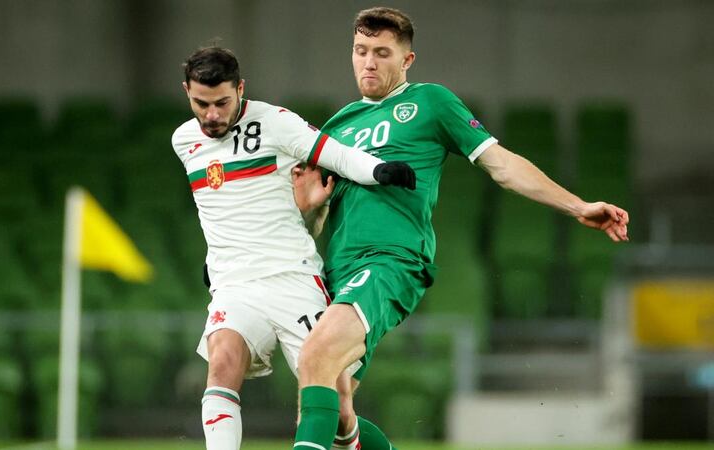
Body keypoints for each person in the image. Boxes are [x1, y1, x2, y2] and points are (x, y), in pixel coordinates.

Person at [291, 7, 631, 450]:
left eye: (381, 52)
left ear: (407, 60)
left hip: (389, 260)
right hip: (337, 270)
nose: (368, 62)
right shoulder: (338, 126)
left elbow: (503, 166)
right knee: (334, 407)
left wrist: (577, 205)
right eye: (360, 51)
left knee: (313, 356)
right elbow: (316, 220)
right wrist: (308, 209)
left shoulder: (431, 103)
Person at [171, 46, 416, 450]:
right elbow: (221, 206)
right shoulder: (184, 141)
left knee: (337, 410)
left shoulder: (275, 122)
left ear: (241, 89)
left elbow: (333, 154)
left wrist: (378, 170)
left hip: (292, 277)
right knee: (222, 361)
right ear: (186, 92)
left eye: (222, 103)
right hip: (235, 284)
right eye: (201, 103)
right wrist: (213, 258)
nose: (212, 115)